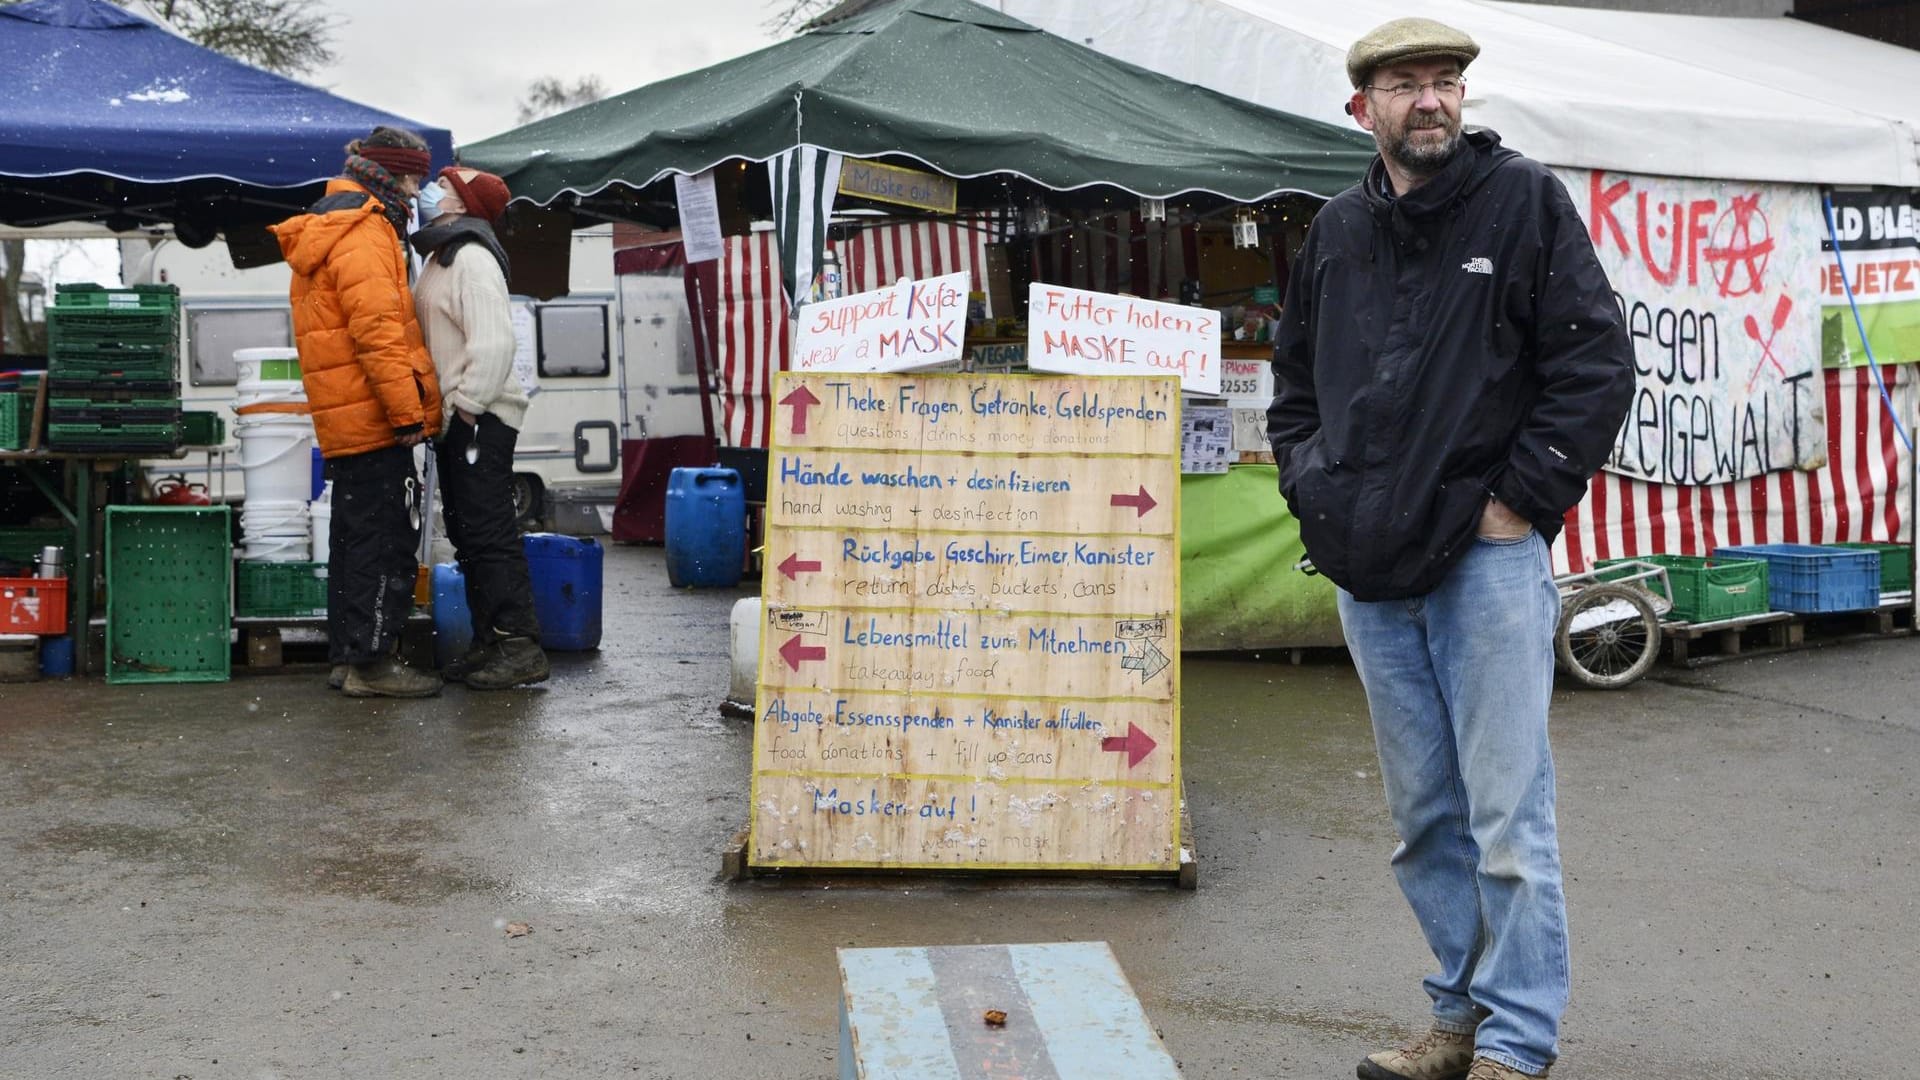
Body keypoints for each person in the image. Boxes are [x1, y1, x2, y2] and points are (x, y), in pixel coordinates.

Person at [1266, 18, 1635, 1080]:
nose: (1430, 101)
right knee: (1426, 821)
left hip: (1485, 569)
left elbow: (1595, 366)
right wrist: (1312, 488)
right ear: (1362, 109)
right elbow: (1296, 389)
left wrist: (1520, 501)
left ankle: (1516, 1045)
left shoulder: (1520, 203)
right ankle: (1456, 1019)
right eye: (1405, 85)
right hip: (1371, 573)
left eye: (1446, 83)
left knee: (1508, 820)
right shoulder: (1336, 230)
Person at [272, 126, 444, 699]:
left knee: (352, 544)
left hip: (343, 417)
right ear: (392, 173)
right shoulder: (366, 228)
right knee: (383, 543)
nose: (420, 187)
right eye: (415, 175)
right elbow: (379, 334)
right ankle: (373, 664)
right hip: (373, 417)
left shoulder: (329, 221)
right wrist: (408, 416)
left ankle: (348, 657)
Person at [408, 167, 550, 689]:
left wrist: (466, 405)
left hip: (480, 418)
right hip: (459, 420)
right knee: (469, 533)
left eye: (443, 188)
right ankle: (490, 641)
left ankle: (519, 644)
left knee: (488, 532)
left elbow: (494, 343)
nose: (433, 193)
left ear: (463, 205)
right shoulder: (441, 256)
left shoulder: (470, 257)